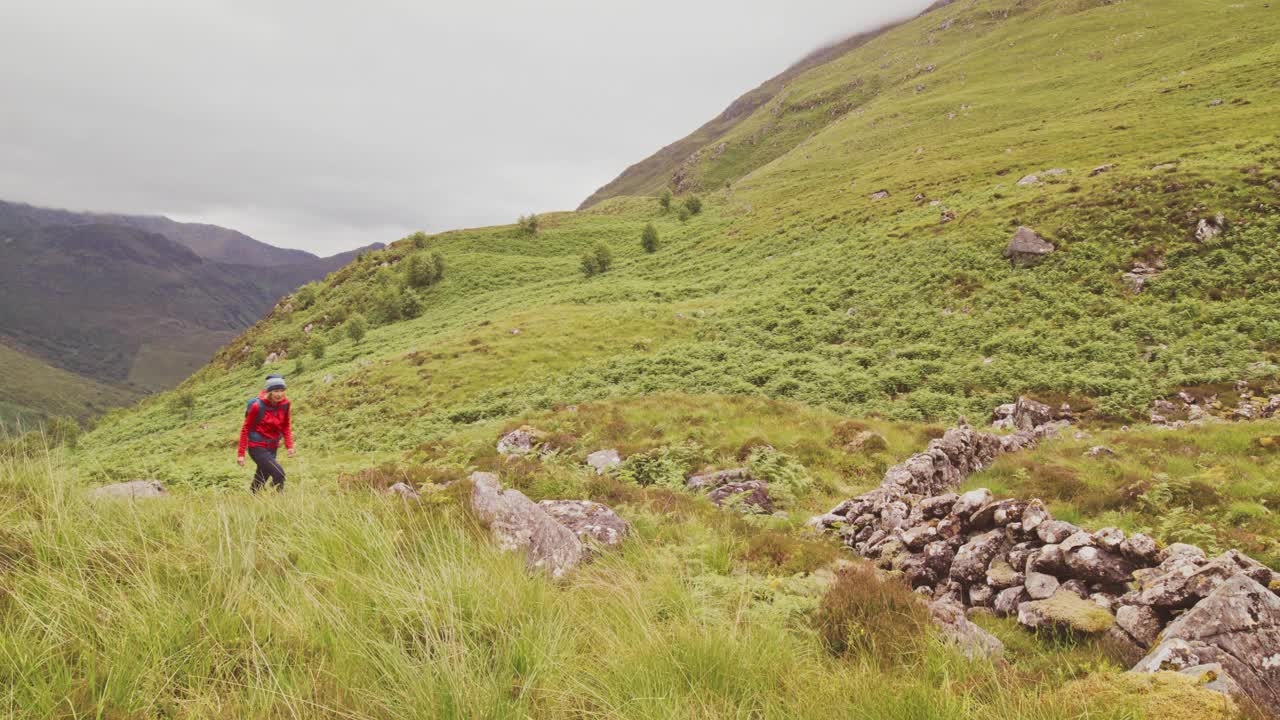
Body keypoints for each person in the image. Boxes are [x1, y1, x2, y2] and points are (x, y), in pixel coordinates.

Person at [237, 374, 295, 493]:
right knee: (279, 474)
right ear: (269, 391)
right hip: (257, 446)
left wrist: (289, 446)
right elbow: (245, 429)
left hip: (273, 446)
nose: (279, 394)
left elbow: (286, 425)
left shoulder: (285, 404)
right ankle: (278, 499)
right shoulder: (257, 406)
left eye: (281, 390)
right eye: (275, 391)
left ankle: (254, 497)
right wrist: (241, 453)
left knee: (263, 475)